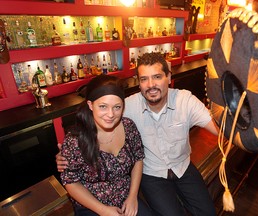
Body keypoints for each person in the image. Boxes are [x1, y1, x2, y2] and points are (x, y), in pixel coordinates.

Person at [57, 52, 218, 216]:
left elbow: (219, 129)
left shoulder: (184, 101)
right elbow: (97, 118)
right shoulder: (127, 107)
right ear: (139, 83)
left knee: (208, 212)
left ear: (169, 77)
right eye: (144, 79)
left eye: (157, 77)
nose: (151, 84)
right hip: (152, 174)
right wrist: (66, 155)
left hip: (182, 166)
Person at [59, 75, 153, 216]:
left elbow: (138, 159)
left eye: (117, 107)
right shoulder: (75, 140)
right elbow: (71, 182)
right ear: (91, 105)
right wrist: (102, 210)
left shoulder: (128, 126)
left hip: (126, 197)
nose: (110, 114)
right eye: (103, 106)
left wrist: (133, 197)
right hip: (91, 204)